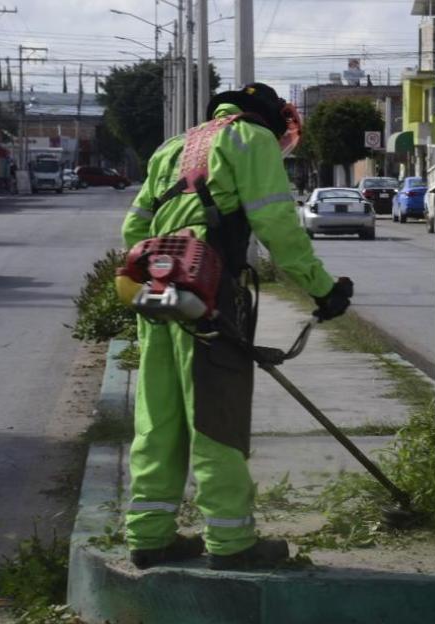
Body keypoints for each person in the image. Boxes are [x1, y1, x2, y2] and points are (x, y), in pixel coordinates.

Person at [120, 83, 353, 571]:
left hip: (159, 290)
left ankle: (149, 537)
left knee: (157, 418)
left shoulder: (172, 148)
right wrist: (322, 288)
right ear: (267, 116)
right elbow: (277, 225)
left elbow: (133, 230)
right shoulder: (251, 137)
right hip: (208, 292)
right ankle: (230, 543)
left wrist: (162, 269)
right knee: (215, 417)